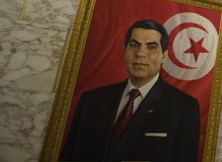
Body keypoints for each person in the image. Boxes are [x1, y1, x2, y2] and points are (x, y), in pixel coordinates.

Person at [60, 20, 200, 162]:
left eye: (151, 47)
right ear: (125, 51)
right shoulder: (91, 101)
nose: (140, 53)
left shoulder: (183, 108)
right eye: (134, 45)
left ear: (164, 55)